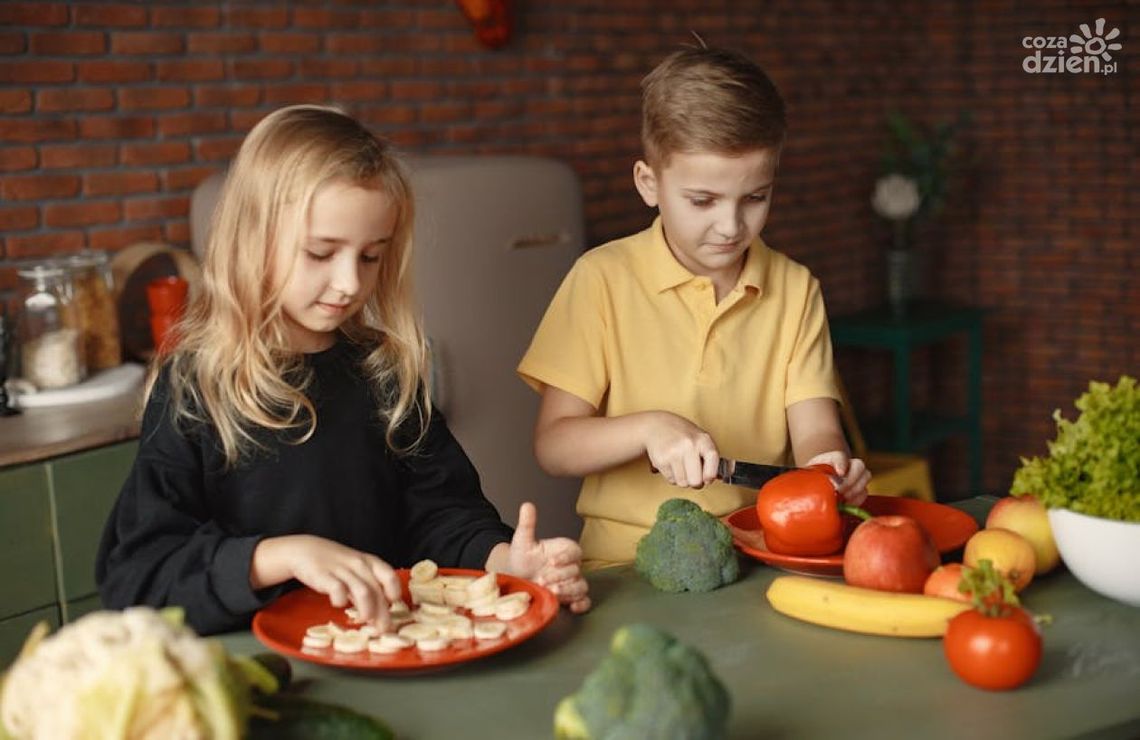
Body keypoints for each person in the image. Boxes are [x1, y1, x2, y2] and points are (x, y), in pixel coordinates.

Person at [97, 105, 590, 635]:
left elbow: (442, 517)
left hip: (383, 651)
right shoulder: (195, 388)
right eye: (320, 253)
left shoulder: (383, 375)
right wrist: (282, 556)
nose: (350, 283)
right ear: (253, 239)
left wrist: (506, 562)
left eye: (370, 256)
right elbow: (139, 577)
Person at [517, 46, 871, 569]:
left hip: (754, 555)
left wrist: (830, 467)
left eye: (755, 198)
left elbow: (815, 430)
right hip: (620, 566)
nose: (731, 226)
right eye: (703, 201)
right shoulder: (601, 279)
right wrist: (647, 428)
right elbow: (554, 446)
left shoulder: (797, 290)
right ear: (649, 184)